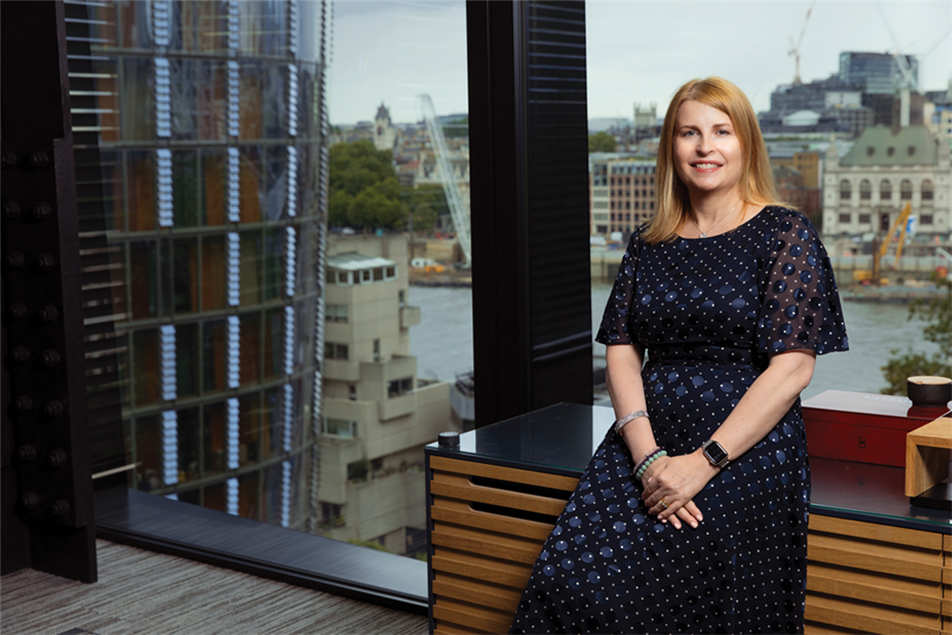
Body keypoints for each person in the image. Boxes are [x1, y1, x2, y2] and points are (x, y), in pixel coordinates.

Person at [508, 77, 848, 635]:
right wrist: (647, 459)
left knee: (686, 589)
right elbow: (621, 349)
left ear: (746, 145)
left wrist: (702, 462)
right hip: (648, 439)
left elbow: (794, 367)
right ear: (671, 146)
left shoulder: (786, 232)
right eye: (689, 132)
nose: (704, 146)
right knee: (566, 583)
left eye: (721, 132)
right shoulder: (648, 241)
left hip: (746, 447)